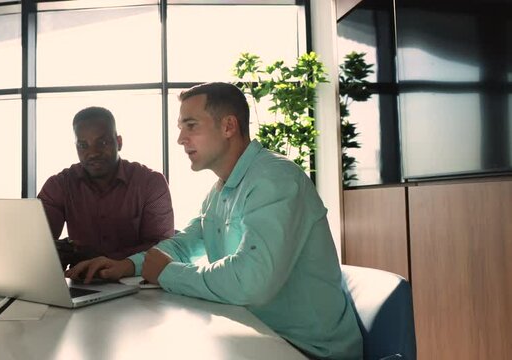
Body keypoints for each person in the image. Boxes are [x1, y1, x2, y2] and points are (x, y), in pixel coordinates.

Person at [66, 83, 363, 359]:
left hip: (306, 350)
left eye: (191, 126)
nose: (181, 138)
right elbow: (188, 243)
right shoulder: (222, 188)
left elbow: (251, 281)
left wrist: (168, 273)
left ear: (228, 126)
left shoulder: (275, 179)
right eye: (181, 128)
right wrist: (128, 265)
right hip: (256, 336)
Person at [38, 106, 175, 268]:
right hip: (83, 284)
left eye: (102, 142)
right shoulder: (60, 185)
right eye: (83, 145)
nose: (93, 152)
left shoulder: (150, 182)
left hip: (139, 282)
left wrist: (104, 260)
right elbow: (37, 242)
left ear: (119, 142)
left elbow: (162, 248)